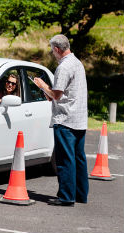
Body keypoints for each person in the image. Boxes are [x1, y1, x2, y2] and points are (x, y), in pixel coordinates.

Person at [34, 34, 88, 207]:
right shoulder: (77, 63)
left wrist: (43, 86)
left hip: (65, 118)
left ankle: (66, 196)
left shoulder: (63, 67)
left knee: (65, 160)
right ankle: (80, 194)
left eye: (52, 50)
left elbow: (57, 94)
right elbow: (66, 93)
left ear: (57, 49)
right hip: (79, 117)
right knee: (79, 158)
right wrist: (51, 94)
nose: (52, 53)